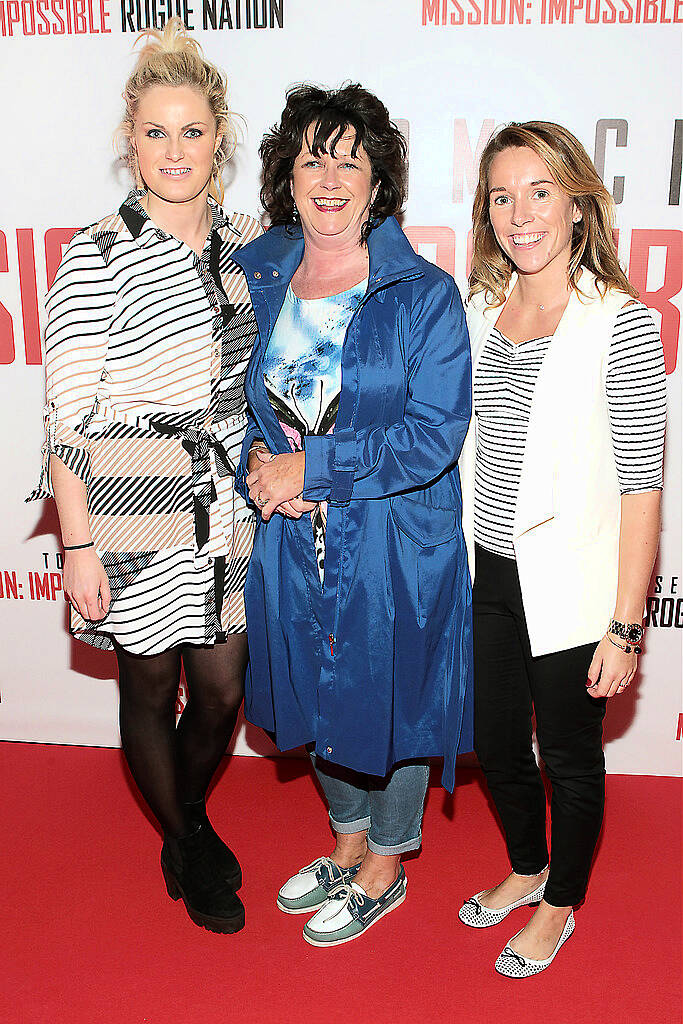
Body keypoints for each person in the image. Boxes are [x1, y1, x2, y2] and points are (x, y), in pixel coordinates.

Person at [27, 18, 262, 934]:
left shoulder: (249, 241)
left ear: (220, 140)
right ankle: (189, 840)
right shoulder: (96, 252)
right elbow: (66, 419)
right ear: (130, 141)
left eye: (193, 131)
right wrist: (77, 543)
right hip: (130, 488)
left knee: (221, 689)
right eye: (156, 132)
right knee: (145, 684)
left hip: (227, 494)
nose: (175, 149)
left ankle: (185, 821)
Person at [231, 84, 473, 947]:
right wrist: (261, 468)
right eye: (310, 159)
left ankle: (386, 862)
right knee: (315, 687)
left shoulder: (424, 293)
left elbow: (431, 436)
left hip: (396, 539)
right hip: (291, 532)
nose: (328, 178)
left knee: (396, 690)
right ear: (285, 177)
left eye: (349, 161)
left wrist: (316, 468)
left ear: (378, 184)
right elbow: (224, 402)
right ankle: (344, 841)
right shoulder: (255, 273)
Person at [457, 121, 666, 977]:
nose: (520, 213)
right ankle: (525, 864)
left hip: (575, 581)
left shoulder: (619, 323)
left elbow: (641, 488)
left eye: (539, 191)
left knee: (569, 758)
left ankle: (559, 902)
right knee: (497, 745)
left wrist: (625, 627)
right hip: (486, 569)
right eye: (501, 196)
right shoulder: (474, 308)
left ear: (577, 204)